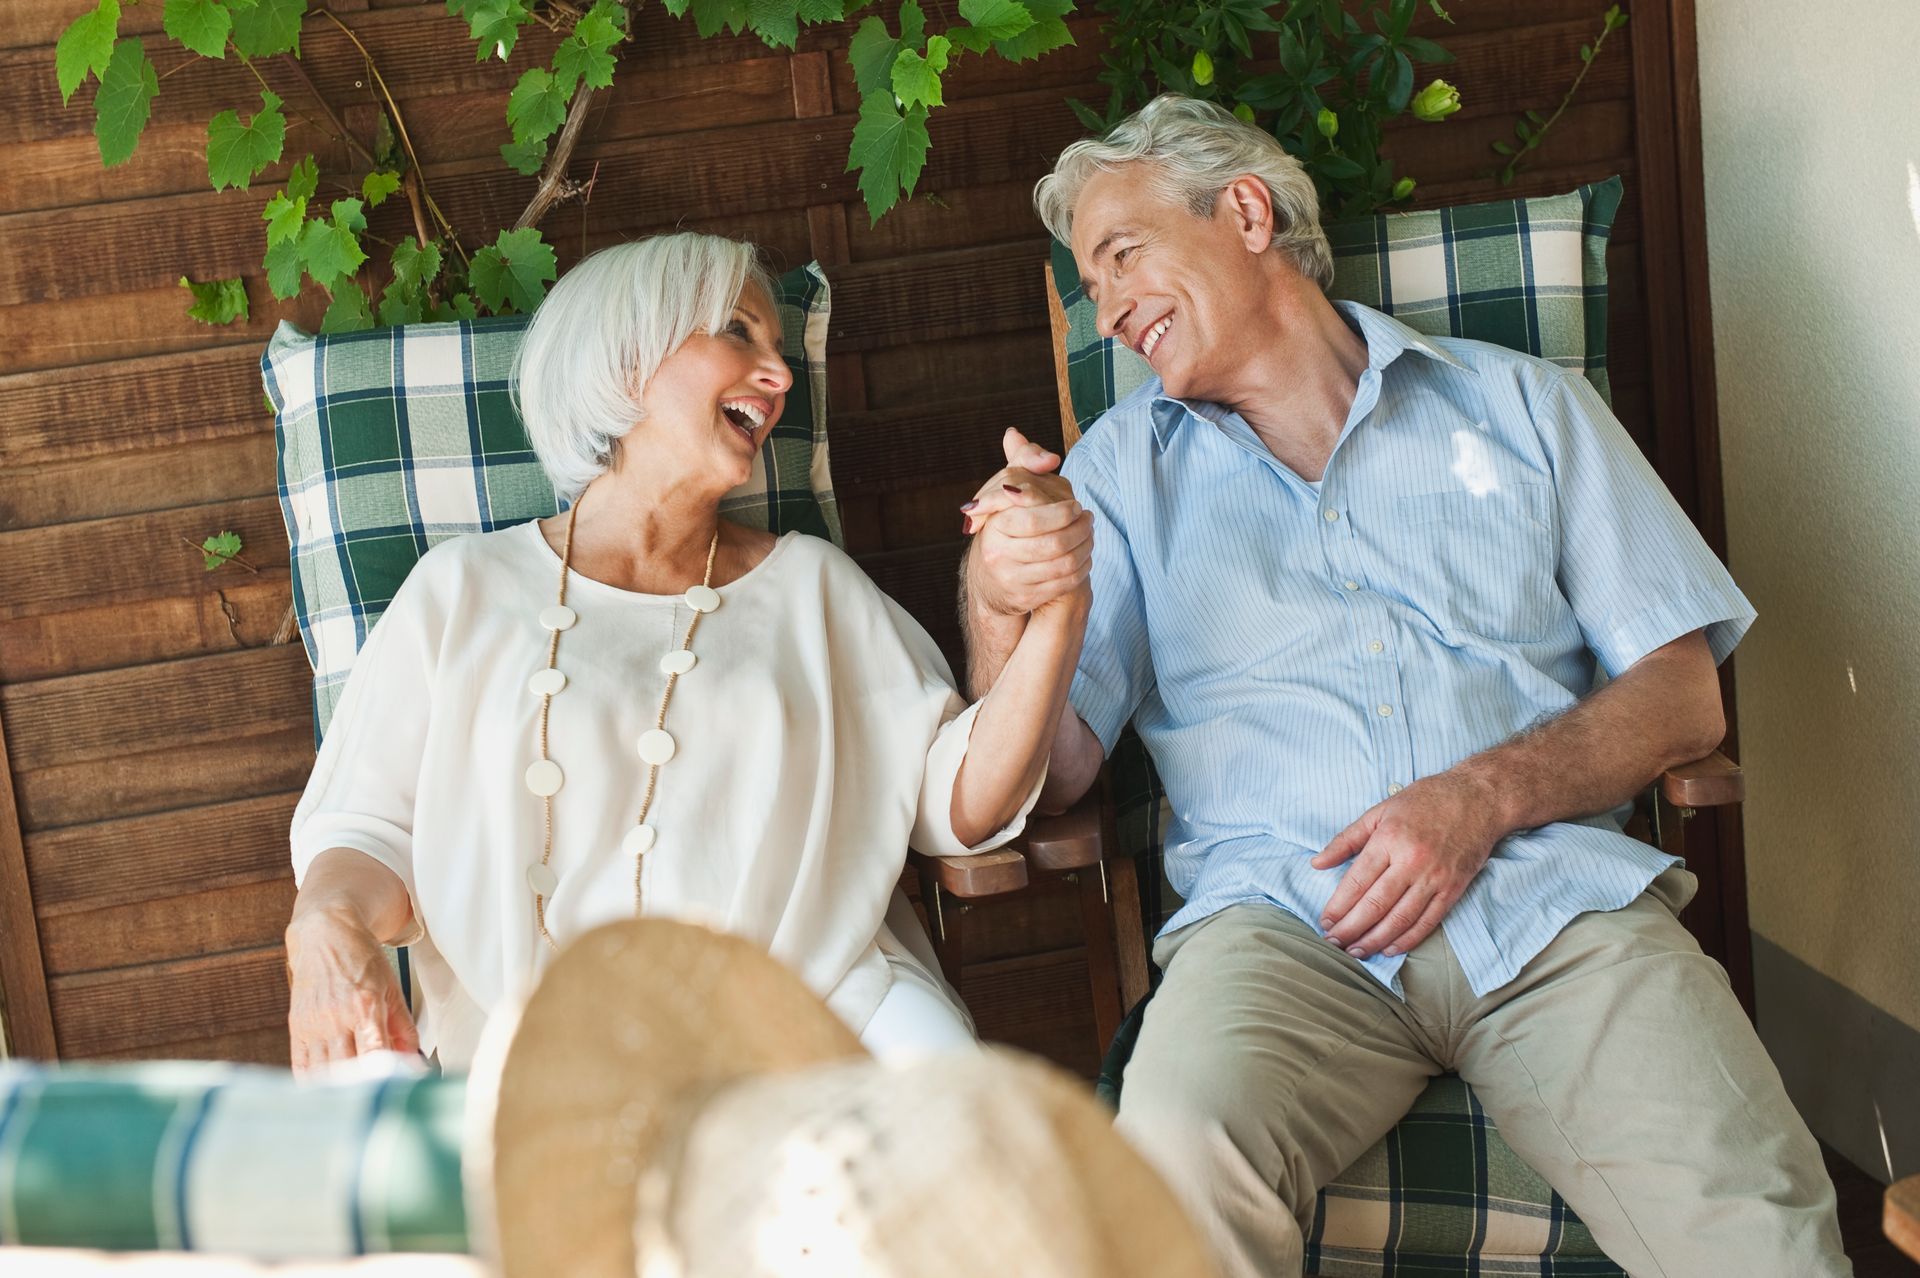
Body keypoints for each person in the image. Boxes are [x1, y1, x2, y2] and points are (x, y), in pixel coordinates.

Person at [959, 95, 1851, 1276]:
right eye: (1092, 286)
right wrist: (1001, 593)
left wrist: (1480, 799)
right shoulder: (1119, 475)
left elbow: (1683, 698)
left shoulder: (1523, 407)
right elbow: (1049, 767)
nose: (1110, 311)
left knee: (1760, 1230)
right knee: (1165, 1187)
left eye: (1122, 257)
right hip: (1283, 931)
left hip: (1550, 912)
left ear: (1245, 211)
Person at [286, 232, 1092, 1074]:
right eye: (739, 334)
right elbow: (365, 832)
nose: (780, 379)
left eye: (780, 348)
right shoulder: (461, 592)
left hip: (813, 1020)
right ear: (630, 360)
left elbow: (961, 806)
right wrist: (324, 926)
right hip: (543, 1048)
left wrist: (1058, 599)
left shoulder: (814, 589)